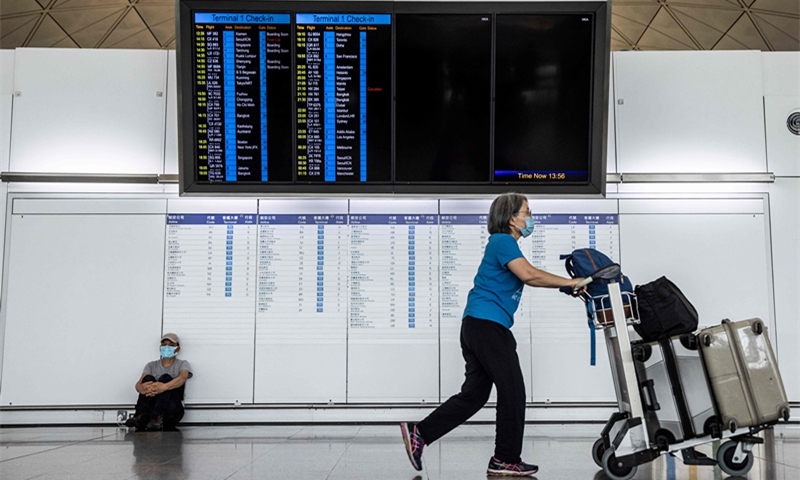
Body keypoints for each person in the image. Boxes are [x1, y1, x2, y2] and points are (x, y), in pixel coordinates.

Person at [400, 193, 585, 477]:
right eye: (527, 212)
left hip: (478, 325)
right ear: (512, 218)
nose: (530, 217)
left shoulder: (505, 245)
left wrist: (566, 286)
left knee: (475, 394)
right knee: (512, 389)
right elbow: (529, 275)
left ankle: (421, 432)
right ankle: (505, 458)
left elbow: (530, 275)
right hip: (487, 326)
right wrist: (571, 281)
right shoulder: (502, 241)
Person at [125, 333, 193, 431]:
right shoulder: (151, 365)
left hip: (172, 411)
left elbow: (182, 378)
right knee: (148, 378)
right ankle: (140, 416)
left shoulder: (182, 364)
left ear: (177, 349)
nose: (167, 347)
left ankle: (157, 417)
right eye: (164, 344)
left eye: (171, 345)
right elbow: (138, 385)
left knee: (165, 378)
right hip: (150, 412)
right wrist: (143, 388)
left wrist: (164, 387)